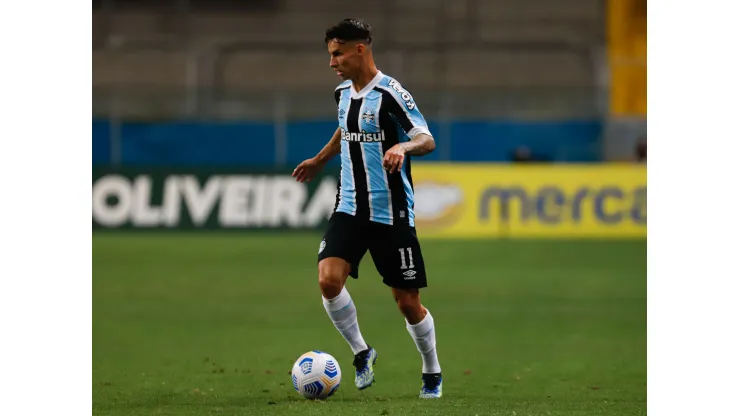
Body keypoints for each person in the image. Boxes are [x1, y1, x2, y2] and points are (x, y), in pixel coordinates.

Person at [292, 18, 443, 399]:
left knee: (408, 304)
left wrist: (402, 147)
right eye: (330, 54)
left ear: (360, 49)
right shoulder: (342, 94)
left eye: (337, 53)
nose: (332, 62)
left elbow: (426, 138)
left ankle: (431, 370)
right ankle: (362, 352)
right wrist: (320, 159)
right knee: (328, 280)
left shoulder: (391, 93)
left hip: (391, 213)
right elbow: (346, 129)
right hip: (349, 207)